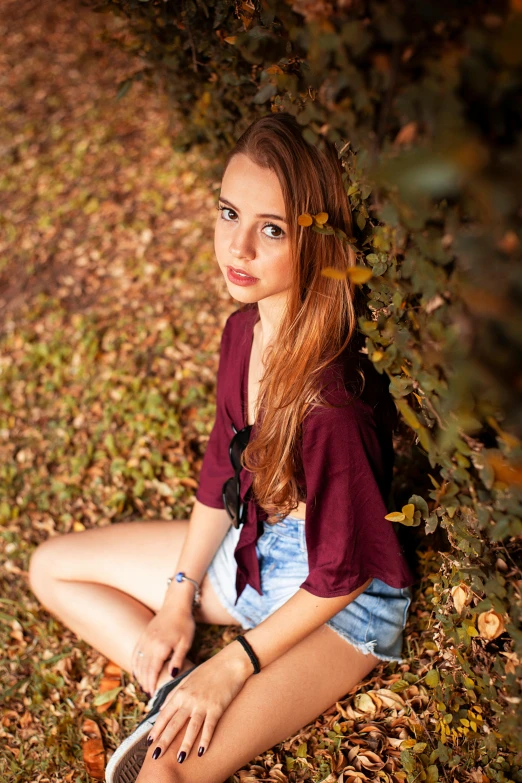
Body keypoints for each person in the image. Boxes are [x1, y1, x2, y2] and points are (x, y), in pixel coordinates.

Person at [28, 112, 415, 783]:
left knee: (162, 775)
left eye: (270, 229)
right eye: (228, 213)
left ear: (313, 242)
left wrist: (233, 664)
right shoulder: (244, 330)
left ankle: (184, 709)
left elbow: (344, 572)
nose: (237, 247)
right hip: (257, 549)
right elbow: (222, 468)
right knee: (52, 567)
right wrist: (177, 600)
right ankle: (166, 698)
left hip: (340, 604)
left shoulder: (332, 398)